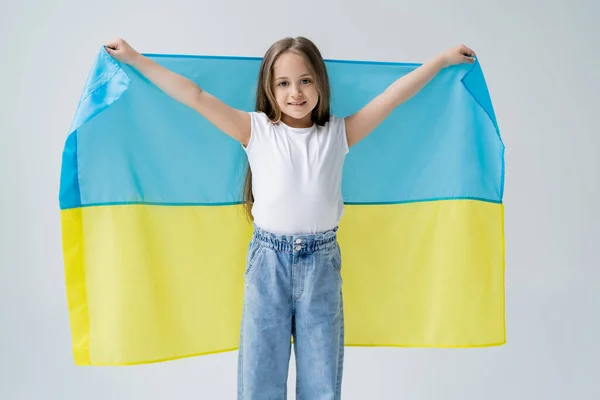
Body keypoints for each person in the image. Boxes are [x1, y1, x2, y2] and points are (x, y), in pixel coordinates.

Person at [104, 36, 476, 400]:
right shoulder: (256, 131)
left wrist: (441, 61)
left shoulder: (337, 134)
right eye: (283, 83)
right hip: (268, 262)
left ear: (319, 84)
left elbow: (393, 97)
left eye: (305, 81)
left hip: (321, 265)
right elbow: (195, 96)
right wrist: (135, 58)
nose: (295, 92)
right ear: (269, 88)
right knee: (259, 377)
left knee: (321, 379)